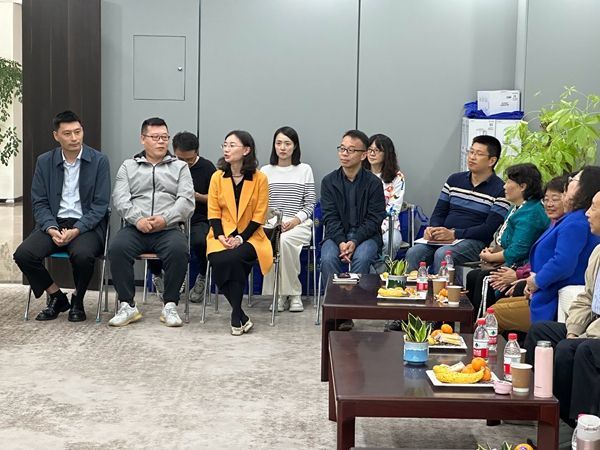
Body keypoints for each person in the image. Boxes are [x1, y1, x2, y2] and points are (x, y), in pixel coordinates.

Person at [13, 111, 110, 322]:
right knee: (23, 254)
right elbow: (39, 202)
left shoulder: (99, 161)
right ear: (56, 136)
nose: (74, 138)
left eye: (78, 132)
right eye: (67, 133)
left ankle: (78, 300)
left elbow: (100, 205)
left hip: (86, 225)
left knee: (83, 255)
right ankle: (56, 296)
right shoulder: (44, 161)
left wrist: (77, 229)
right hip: (54, 223)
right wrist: (50, 228)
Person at [524, 188, 600, 436]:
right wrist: (575, 329)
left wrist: (583, 336)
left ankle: (579, 429)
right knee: (542, 332)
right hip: (591, 327)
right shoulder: (598, 252)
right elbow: (586, 298)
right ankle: (536, 406)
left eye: (594, 208)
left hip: (597, 334)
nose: (587, 213)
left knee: (579, 349)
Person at [108, 117, 195, 327]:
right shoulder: (128, 166)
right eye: (155, 137)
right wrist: (137, 219)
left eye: (164, 137)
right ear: (143, 139)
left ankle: (170, 305)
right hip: (136, 227)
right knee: (117, 248)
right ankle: (127, 305)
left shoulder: (180, 167)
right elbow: (120, 198)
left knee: (179, 250)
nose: (161, 141)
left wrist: (165, 219)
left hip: (168, 228)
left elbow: (186, 200)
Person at [405, 135, 510, 274]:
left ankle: (442, 288)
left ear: (492, 160)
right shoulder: (454, 180)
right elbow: (439, 212)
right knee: (414, 252)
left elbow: (488, 229)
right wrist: (433, 229)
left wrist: (455, 234)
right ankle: (412, 287)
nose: (472, 157)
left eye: (478, 154)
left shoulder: (500, 189)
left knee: (444, 254)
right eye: (471, 152)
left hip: (475, 242)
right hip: (445, 237)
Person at [206, 130, 272, 336]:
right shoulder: (217, 177)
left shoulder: (260, 178)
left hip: (251, 236)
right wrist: (220, 236)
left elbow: (259, 215)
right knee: (218, 258)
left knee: (234, 258)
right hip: (221, 234)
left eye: (232, 145)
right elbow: (213, 211)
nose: (226, 149)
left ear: (246, 150)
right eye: (225, 145)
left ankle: (236, 315)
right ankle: (240, 314)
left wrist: (240, 238)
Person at [320, 130, 386, 330]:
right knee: (328, 258)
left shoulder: (373, 183)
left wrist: (355, 241)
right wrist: (342, 241)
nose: (344, 154)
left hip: (366, 237)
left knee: (362, 258)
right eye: (342, 149)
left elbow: (375, 218)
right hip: (336, 236)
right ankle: (335, 312)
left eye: (350, 150)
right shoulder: (329, 181)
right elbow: (329, 217)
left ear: (363, 155)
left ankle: (351, 309)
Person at [465, 163, 550, 315]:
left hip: (521, 265)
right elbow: (508, 242)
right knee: (472, 276)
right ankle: (470, 322)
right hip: (510, 262)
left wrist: (491, 257)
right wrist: (493, 251)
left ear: (522, 186)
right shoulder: (517, 207)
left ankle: (483, 323)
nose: (504, 186)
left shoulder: (531, 213)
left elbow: (518, 250)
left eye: (509, 182)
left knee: (486, 278)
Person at [490, 176, 567, 333]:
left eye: (555, 199)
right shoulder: (554, 222)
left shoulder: (569, 225)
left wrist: (523, 278)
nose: (549, 204)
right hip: (530, 276)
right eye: (546, 199)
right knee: (493, 292)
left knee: (494, 309)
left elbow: (558, 263)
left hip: (545, 289)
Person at [523, 166, 600, 324]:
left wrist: (537, 281)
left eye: (574, 180)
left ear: (584, 187)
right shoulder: (572, 217)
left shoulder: (576, 221)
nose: (568, 183)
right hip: (547, 290)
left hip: (554, 295)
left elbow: (563, 262)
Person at [149, 131, 216, 303]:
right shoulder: (166, 165)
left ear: (197, 152)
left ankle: (202, 276)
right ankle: (157, 275)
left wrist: (195, 196)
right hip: (170, 217)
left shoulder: (208, 168)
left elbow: (217, 199)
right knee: (150, 236)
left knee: (200, 241)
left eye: (189, 160)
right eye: (181, 159)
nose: (185, 164)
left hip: (197, 217)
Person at [260, 126, 315, 312]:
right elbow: (261, 204)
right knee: (275, 239)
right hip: (272, 223)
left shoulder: (304, 169)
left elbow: (310, 204)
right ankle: (282, 294)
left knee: (283, 241)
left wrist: (294, 221)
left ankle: (290, 293)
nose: (282, 148)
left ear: (295, 146)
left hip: (299, 224)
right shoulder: (265, 171)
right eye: (279, 143)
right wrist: (274, 222)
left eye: (287, 143)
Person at [363, 133, 406, 262]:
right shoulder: (360, 174)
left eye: (377, 150)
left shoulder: (397, 177)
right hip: (363, 225)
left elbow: (393, 209)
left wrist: (378, 228)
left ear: (387, 154)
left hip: (388, 226)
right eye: (369, 150)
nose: (372, 154)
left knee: (391, 241)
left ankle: (379, 271)